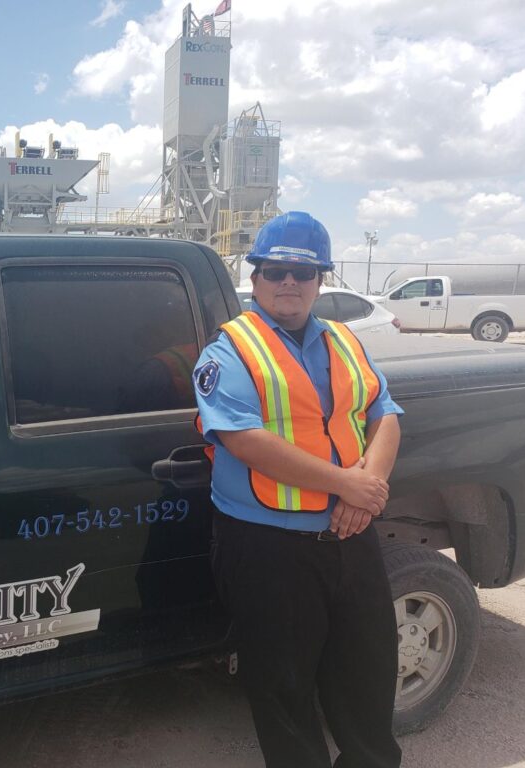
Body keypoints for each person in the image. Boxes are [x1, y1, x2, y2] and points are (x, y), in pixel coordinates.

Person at [193, 211, 404, 768]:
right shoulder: (229, 349)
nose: (289, 281)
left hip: (351, 538)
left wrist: (368, 489)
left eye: (303, 273)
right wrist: (348, 486)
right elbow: (244, 440)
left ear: (320, 280)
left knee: (369, 677)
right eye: (276, 270)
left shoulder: (344, 340)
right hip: (269, 548)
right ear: (256, 277)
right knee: (283, 692)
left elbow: (384, 413)